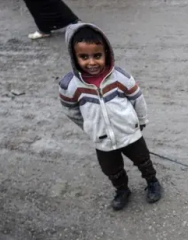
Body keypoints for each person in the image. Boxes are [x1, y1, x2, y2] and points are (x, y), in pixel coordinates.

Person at [58, 23, 162, 210]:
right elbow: (71, 110)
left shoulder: (120, 77)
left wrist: (141, 120)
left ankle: (152, 181)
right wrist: (89, 126)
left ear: (106, 53)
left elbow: (137, 98)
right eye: (83, 57)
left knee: (143, 160)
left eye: (97, 56)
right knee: (111, 169)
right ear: (74, 57)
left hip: (130, 132)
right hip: (102, 139)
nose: (91, 62)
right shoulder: (70, 85)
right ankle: (122, 190)